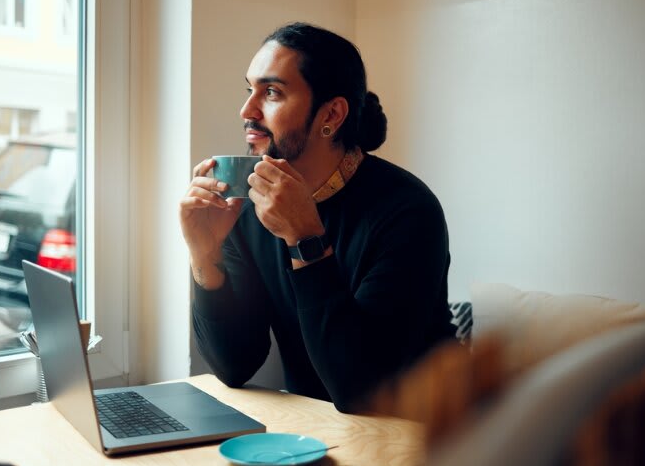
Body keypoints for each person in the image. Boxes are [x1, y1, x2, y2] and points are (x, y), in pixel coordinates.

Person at [179, 22, 456, 413]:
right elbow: (234, 366)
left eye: (271, 92)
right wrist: (205, 256)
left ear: (332, 114)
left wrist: (305, 238)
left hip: (420, 439)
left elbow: (362, 390)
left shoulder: (408, 212)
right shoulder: (248, 206)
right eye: (249, 89)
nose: (247, 110)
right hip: (314, 437)